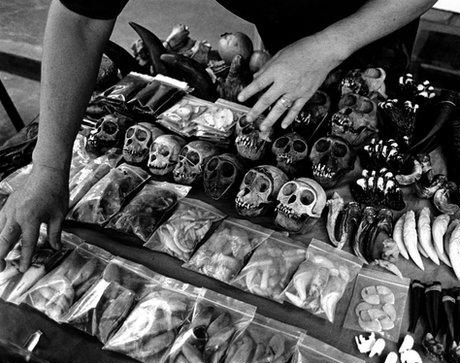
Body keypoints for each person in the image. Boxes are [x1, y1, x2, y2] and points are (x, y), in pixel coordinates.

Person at [0, 0, 436, 269]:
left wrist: (328, 45)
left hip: (371, 29)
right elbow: (79, 19)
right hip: (283, 43)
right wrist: (48, 166)